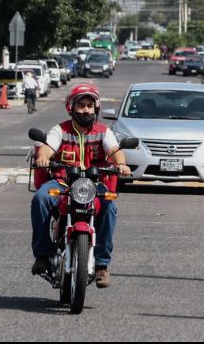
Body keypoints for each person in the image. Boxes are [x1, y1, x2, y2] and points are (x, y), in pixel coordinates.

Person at [31, 83, 131, 288]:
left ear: (96, 108)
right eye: (81, 105)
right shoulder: (60, 130)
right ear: (71, 108)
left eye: (89, 105)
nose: (86, 110)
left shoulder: (104, 132)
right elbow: (47, 148)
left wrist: (121, 164)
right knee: (41, 198)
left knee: (110, 207)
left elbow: (114, 150)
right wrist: (43, 158)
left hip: (94, 185)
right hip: (62, 183)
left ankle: (102, 264)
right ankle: (42, 254)